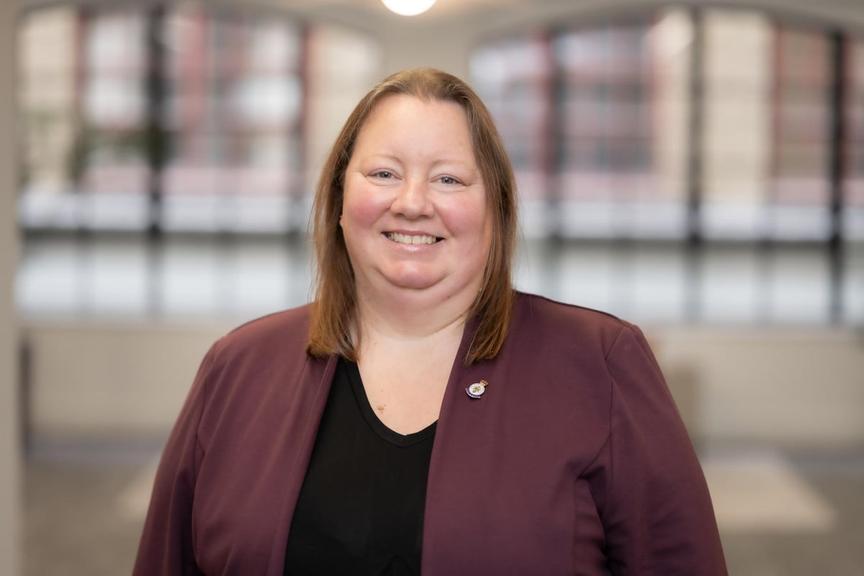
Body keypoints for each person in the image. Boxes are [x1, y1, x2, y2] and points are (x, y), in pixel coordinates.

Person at [134, 68, 727, 575]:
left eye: (448, 179)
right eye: (384, 174)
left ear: (495, 209)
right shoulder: (237, 367)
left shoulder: (600, 363)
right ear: (339, 199)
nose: (413, 202)